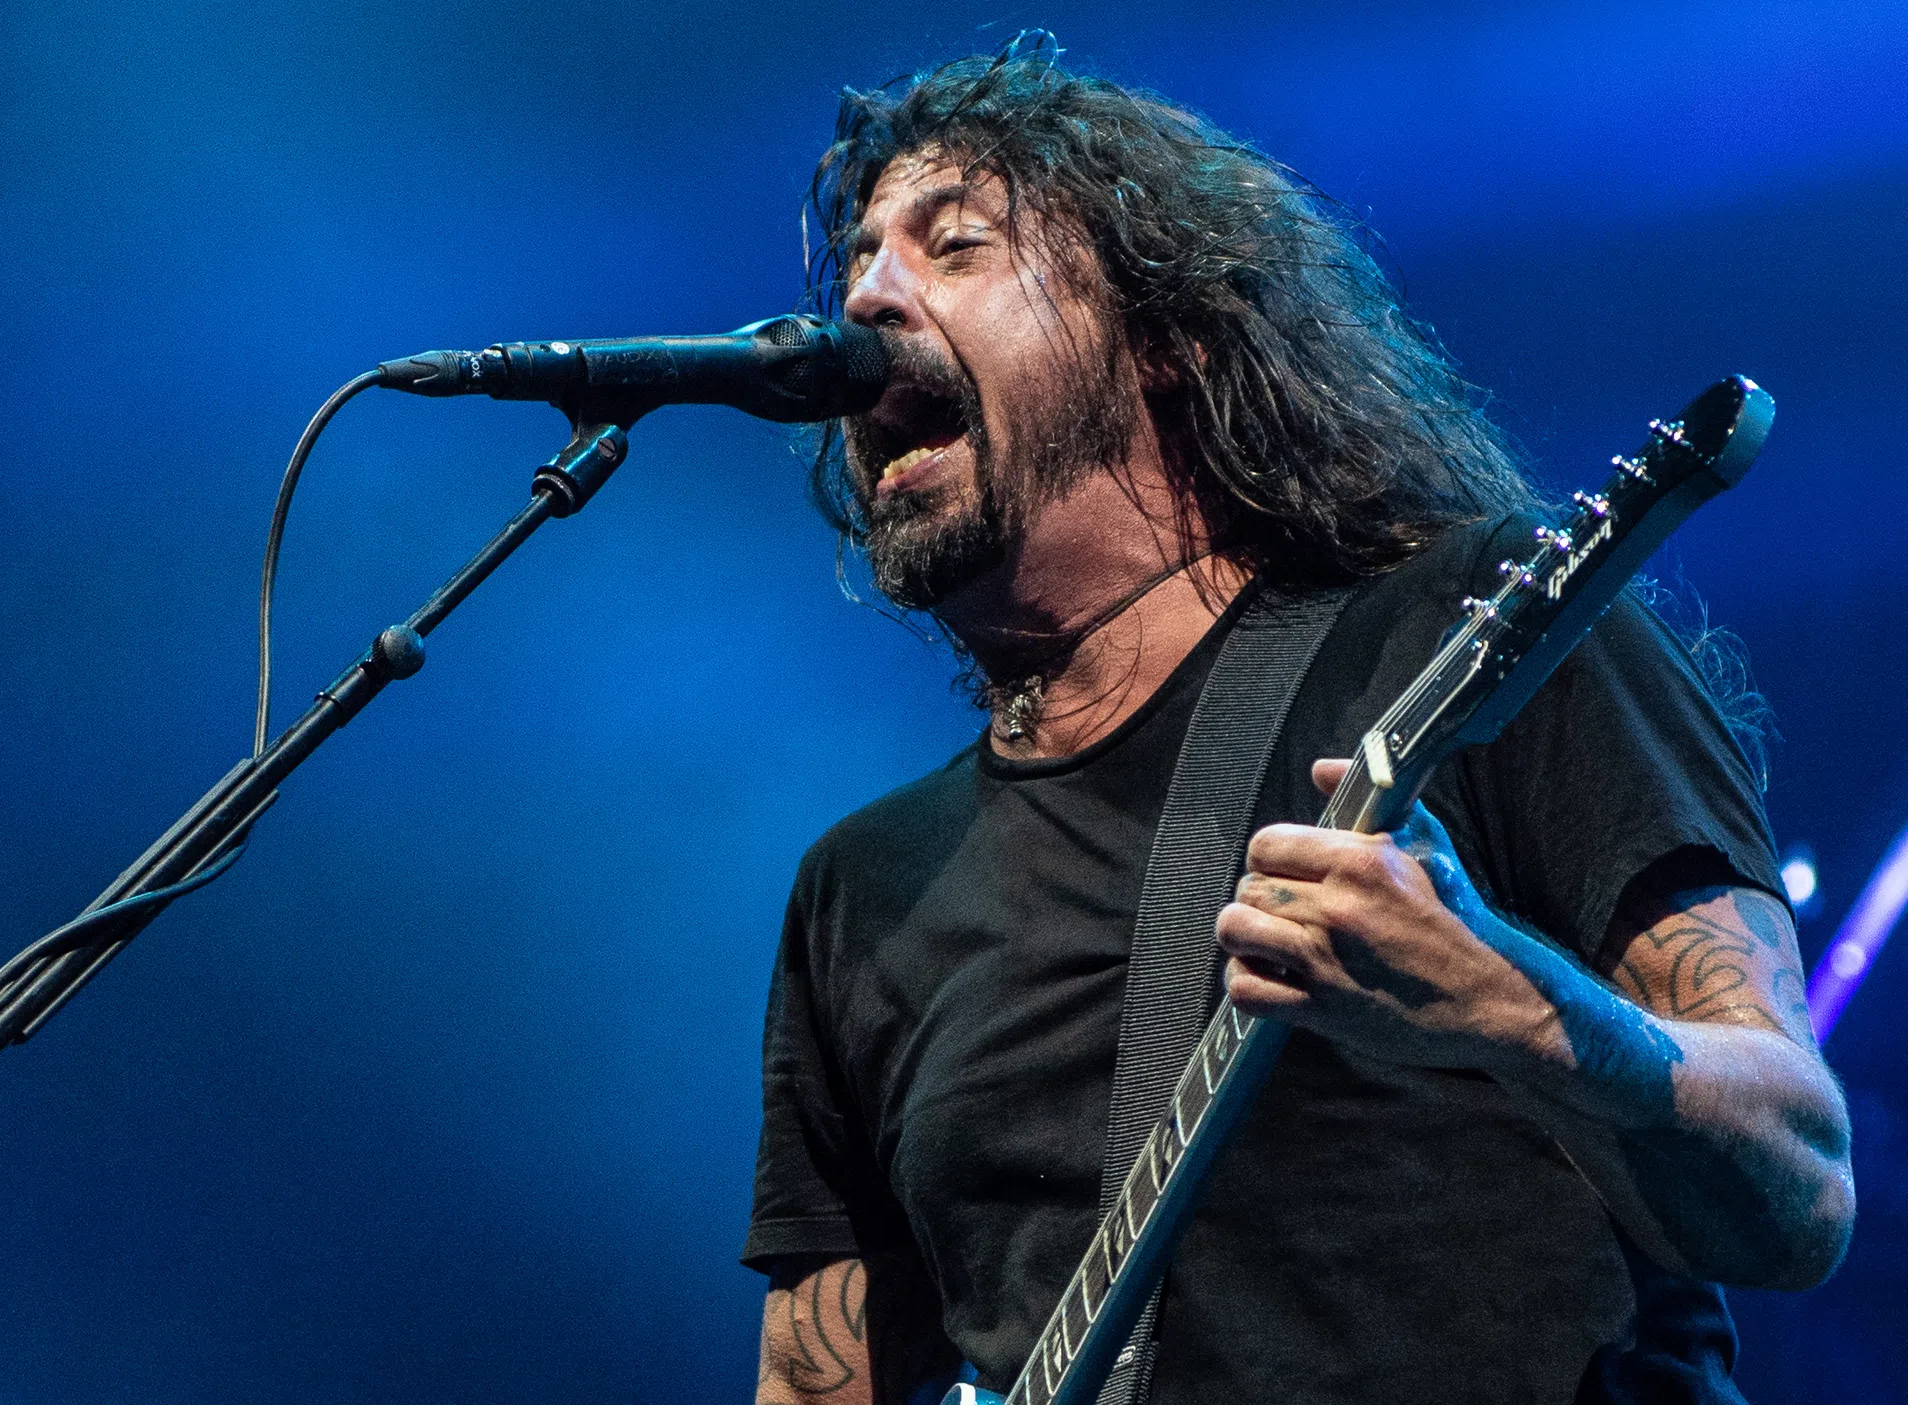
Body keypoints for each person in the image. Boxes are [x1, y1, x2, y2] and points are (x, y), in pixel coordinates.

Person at [743, 40, 1853, 1405]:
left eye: (954, 243)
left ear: (1167, 339)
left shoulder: (1471, 636)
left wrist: (1506, 1005)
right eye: (860, 259)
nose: (868, 294)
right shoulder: (864, 891)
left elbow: (1799, 1188)